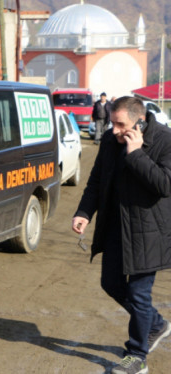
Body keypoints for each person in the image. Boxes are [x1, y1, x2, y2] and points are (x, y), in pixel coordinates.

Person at [72, 96, 171, 374]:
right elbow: (96, 180)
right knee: (110, 283)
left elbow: (164, 185)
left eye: (120, 124)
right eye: (112, 122)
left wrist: (137, 153)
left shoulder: (165, 140)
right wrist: (83, 212)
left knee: (139, 296)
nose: (114, 129)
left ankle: (136, 356)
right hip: (115, 227)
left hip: (148, 232)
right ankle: (156, 323)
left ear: (140, 121)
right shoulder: (108, 140)